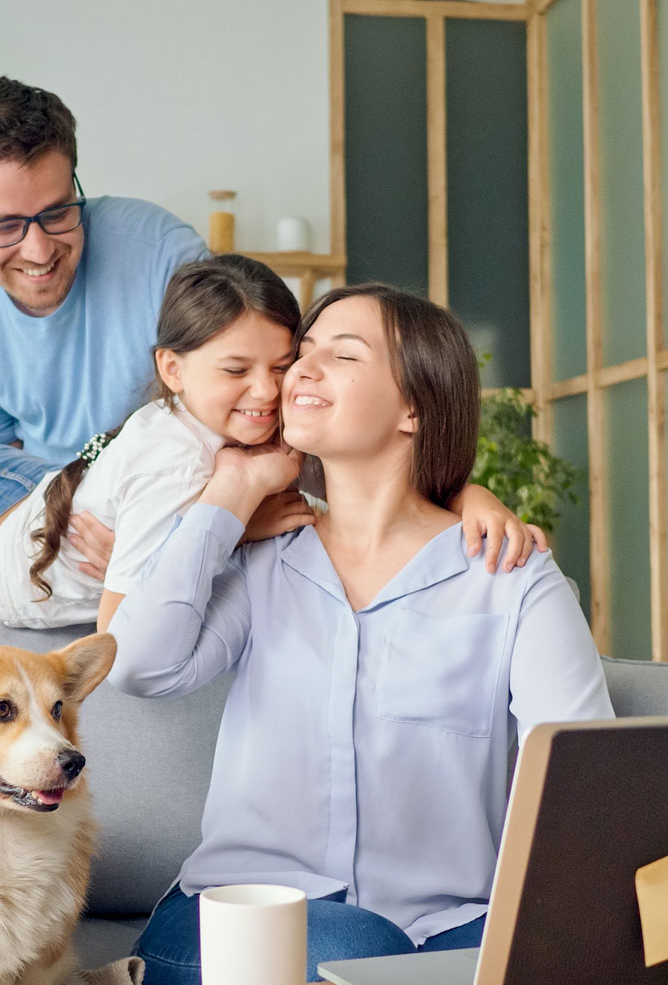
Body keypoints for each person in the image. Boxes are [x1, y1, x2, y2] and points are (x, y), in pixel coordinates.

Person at [105, 282, 614, 984]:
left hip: (446, 923)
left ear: (414, 406)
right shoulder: (260, 563)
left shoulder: (513, 580)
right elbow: (137, 666)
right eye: (302, 355)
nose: (300, 374)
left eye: (342, 356)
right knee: (349, 951)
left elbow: (585, 783)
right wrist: (230, 489)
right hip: (237, 917)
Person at [0, 256, 313, 631]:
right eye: (236, 370)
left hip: (14, 481)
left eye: (281, 366)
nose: (268, 391)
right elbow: (120, 636)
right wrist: (235, 532)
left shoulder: (183, 421)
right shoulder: (178, 464)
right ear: (172, 368)